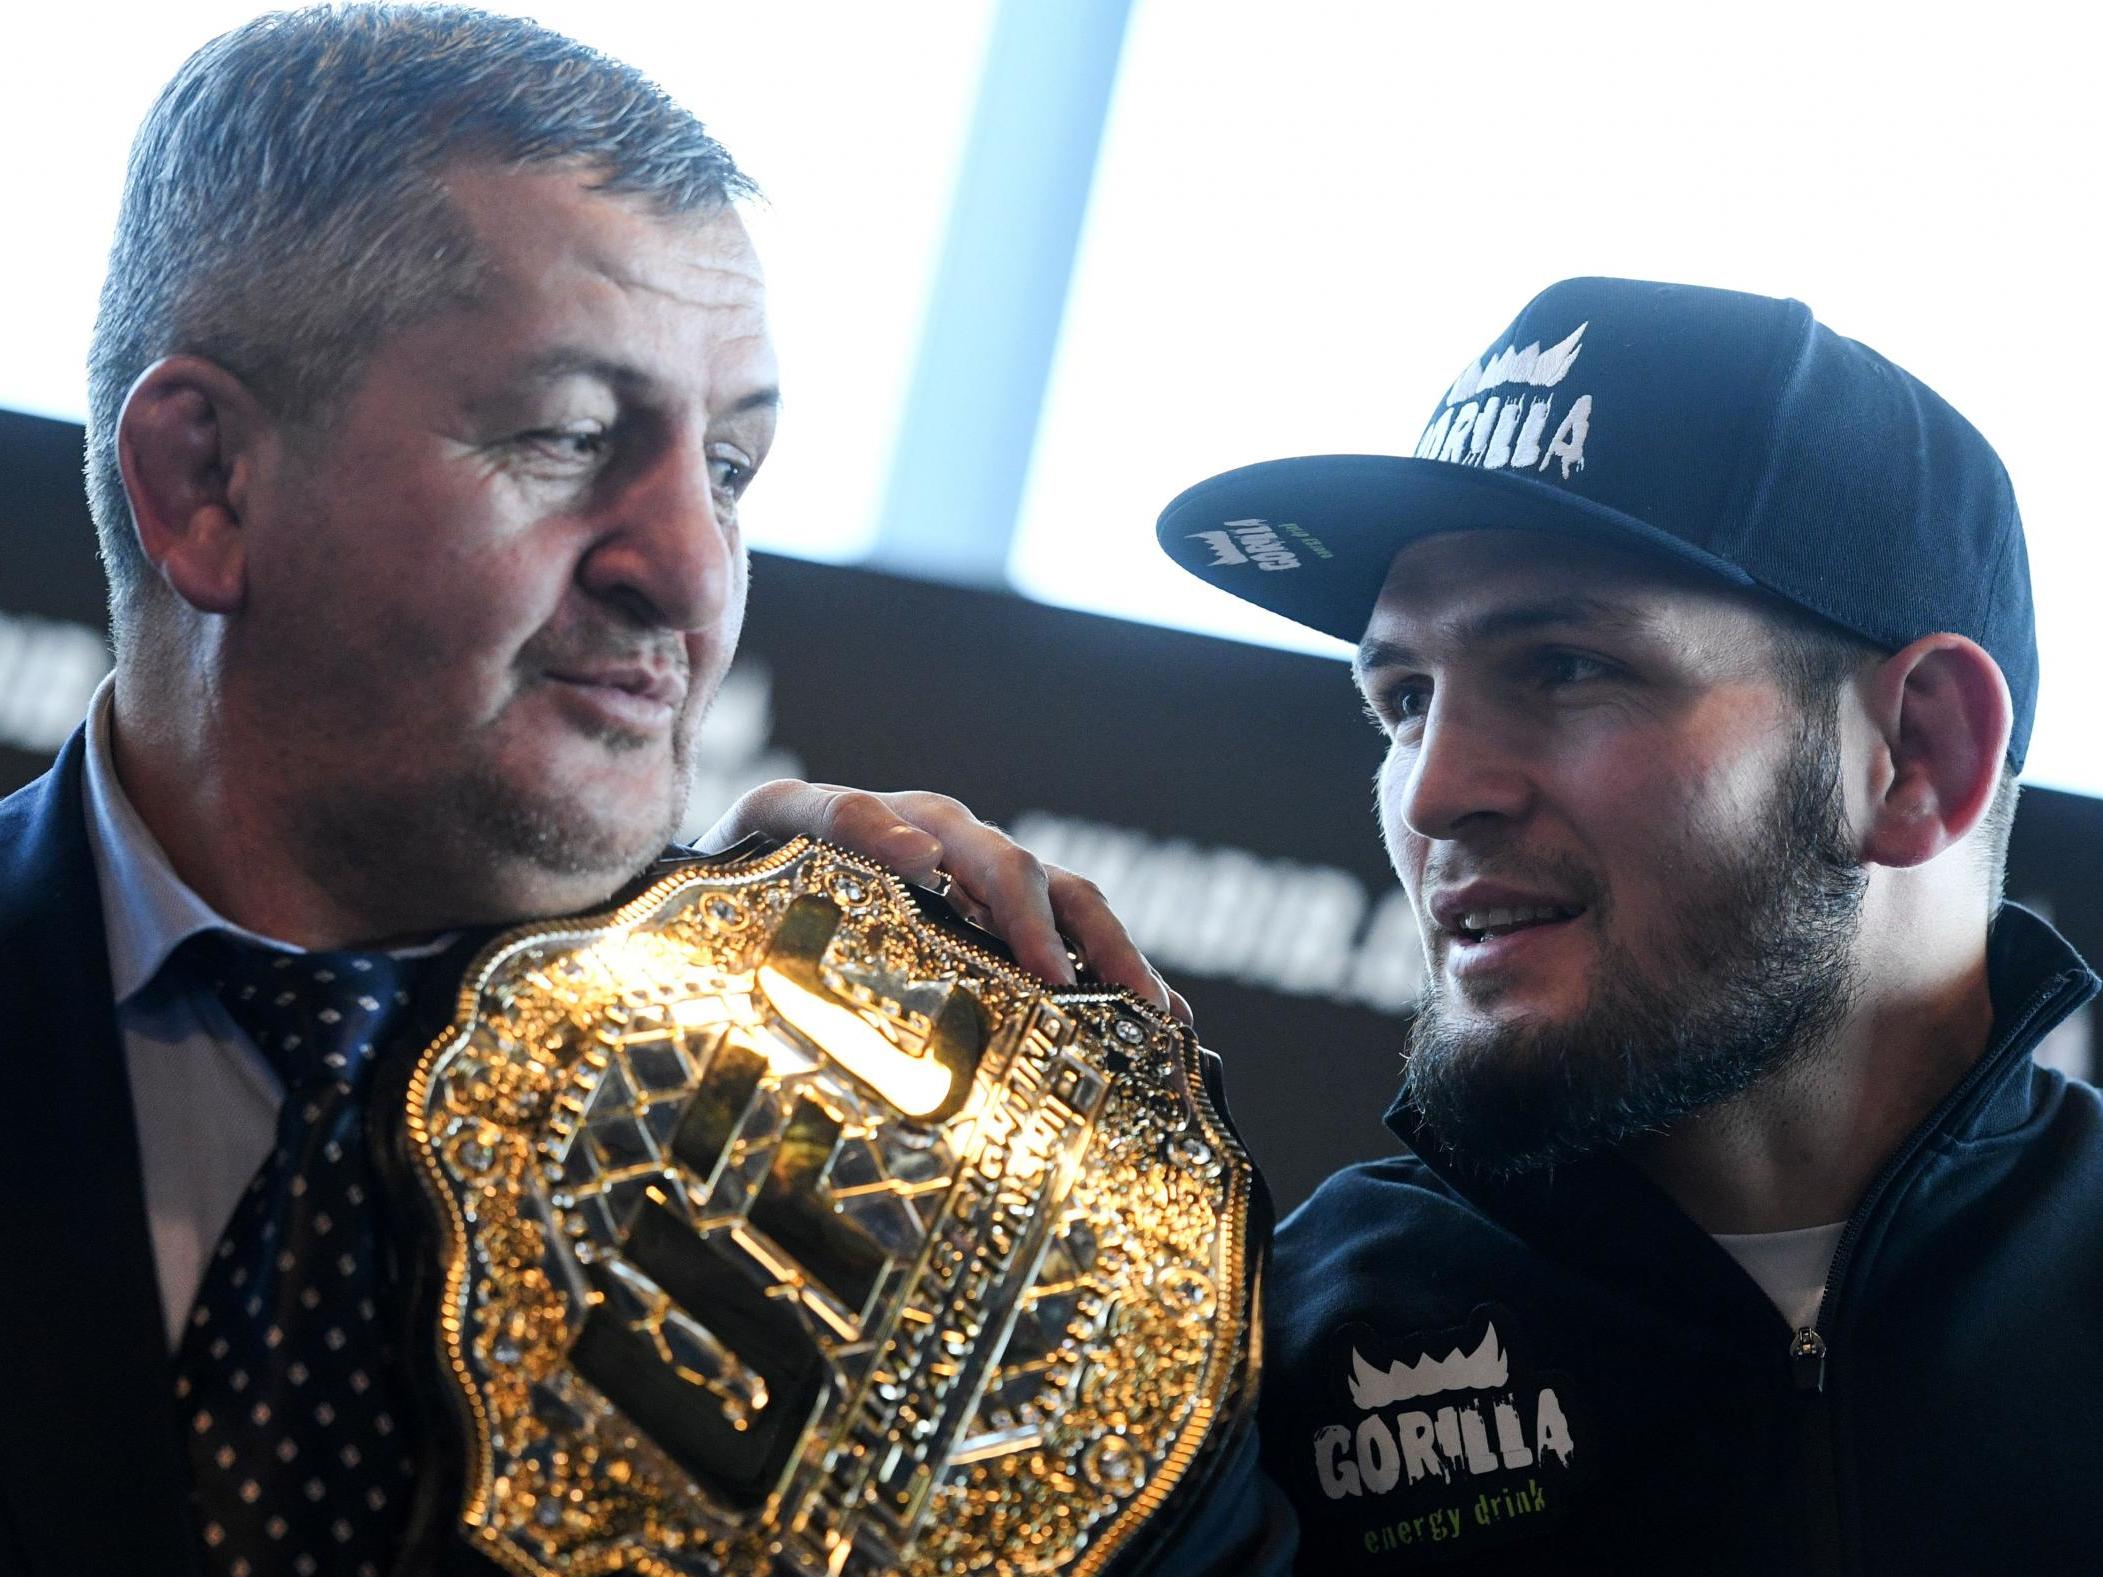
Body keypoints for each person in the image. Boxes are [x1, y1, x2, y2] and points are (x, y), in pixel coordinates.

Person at [0, 8, 1273, 1575]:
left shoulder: (931, 1160)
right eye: (569, 435)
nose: (692, 574)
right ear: (208, 485)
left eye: (729, 471)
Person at [1155, 276, 2101, 1574]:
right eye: (1403, 697)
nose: (1433, 790)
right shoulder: (1252, 1363)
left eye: (1564, 667)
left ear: (1918, 751)